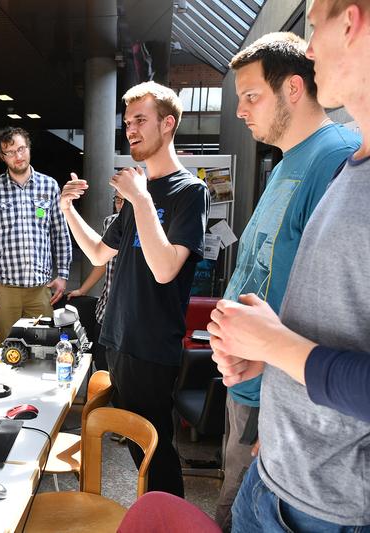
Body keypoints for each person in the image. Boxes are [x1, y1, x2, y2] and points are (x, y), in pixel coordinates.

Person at [208, 1, 370, 530]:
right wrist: (266, 361)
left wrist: (273, 351)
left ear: (351, 22)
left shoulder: (334, 153)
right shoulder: (341, 165)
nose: (309, 46)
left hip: (325, 497)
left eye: (315, 24)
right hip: (282, 458)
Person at [60, 81, 209, 497]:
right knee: (137, 449)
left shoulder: (189, 192)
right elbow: (96, 253)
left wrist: (140, 199)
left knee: (156, 453)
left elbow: (164, 270)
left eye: (141, 120)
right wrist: (66, 209)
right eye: (127, 122)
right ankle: (153, 514)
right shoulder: (137, 195)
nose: (131, 129)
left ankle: (167, 519)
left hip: (151, 346)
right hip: (117, 338)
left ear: (168, 123)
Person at [0, 127, 72, 338]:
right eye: (10, 152)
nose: (18, 156)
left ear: (29, 148)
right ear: (2, 156)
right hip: (4, 289)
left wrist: (63, 275)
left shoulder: (50, 186)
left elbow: (60, 233)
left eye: (21, 149)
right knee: (7, 349)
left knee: (44, 346)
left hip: (40, 289)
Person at [65, 193, 124, 371]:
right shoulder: (110, 222)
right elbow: (101, 261)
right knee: (102, 368)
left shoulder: (147, 227)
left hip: (130, 319)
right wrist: (83, 289)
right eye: (118, 200)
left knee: (123, 375)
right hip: (105, 311)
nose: (120, 205)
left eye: (126, 200)